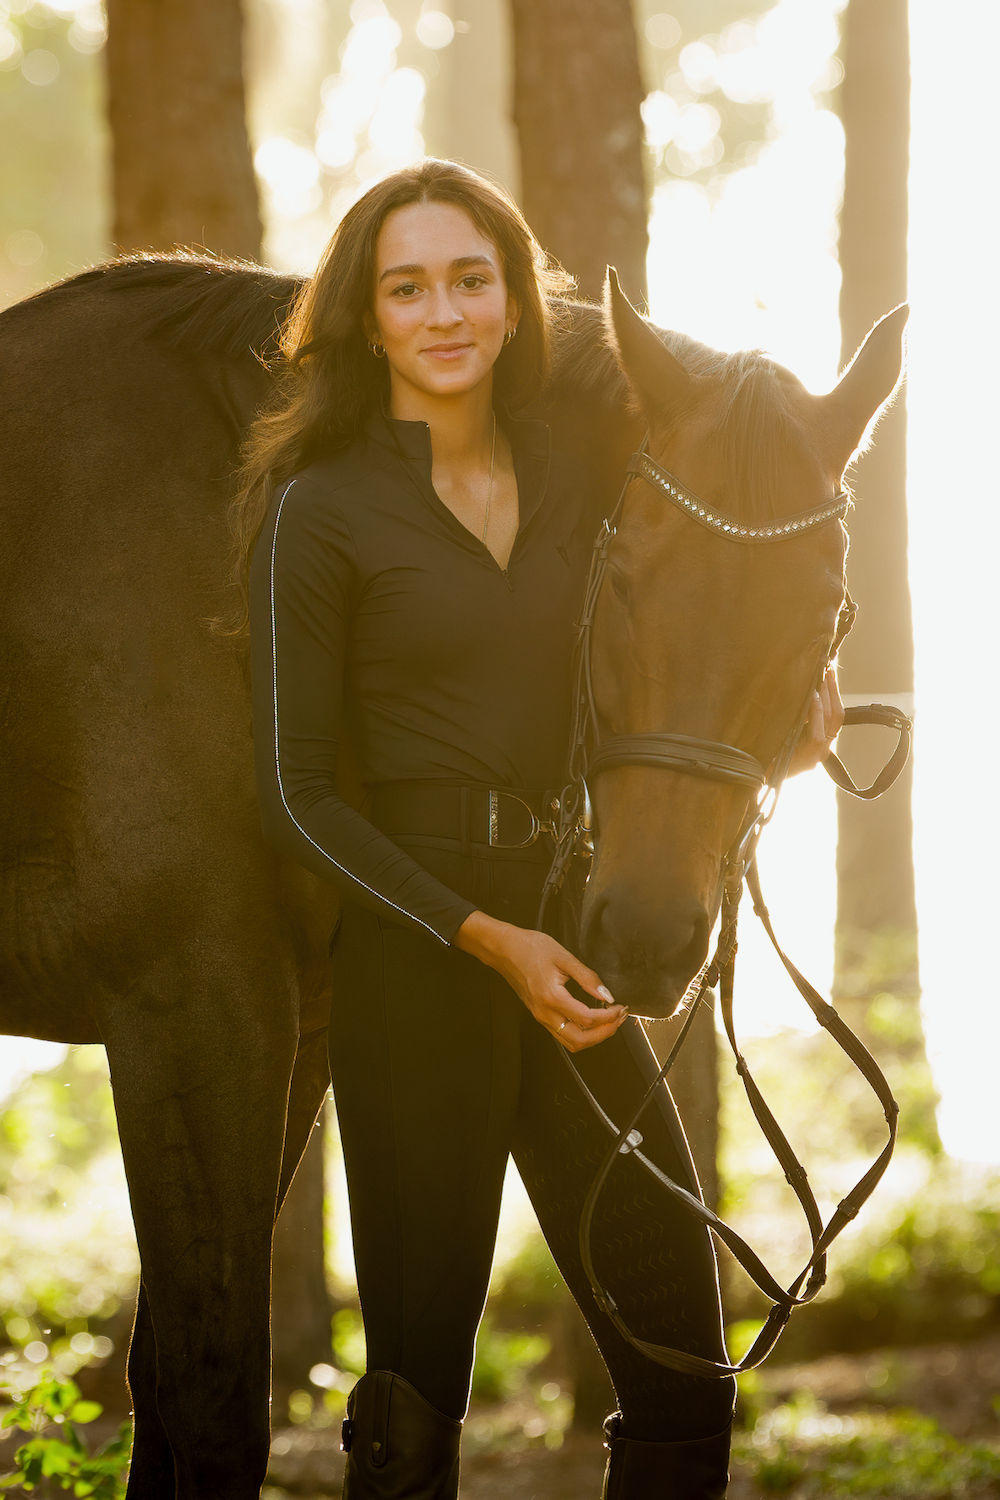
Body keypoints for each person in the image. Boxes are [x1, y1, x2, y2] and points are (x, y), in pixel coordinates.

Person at [236, 159, 841, 1500]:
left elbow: (700, 603)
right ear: (367, 314)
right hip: (420, 960)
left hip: (572, 933)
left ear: (515, 300)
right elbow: (296, 796)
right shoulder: (322, 512)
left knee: (689, 1382)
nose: (444, 311)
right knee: (413, 1417)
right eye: (408, 286)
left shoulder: (587, 491)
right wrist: (484, 937)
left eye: (471, 278)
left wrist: (788, 703)